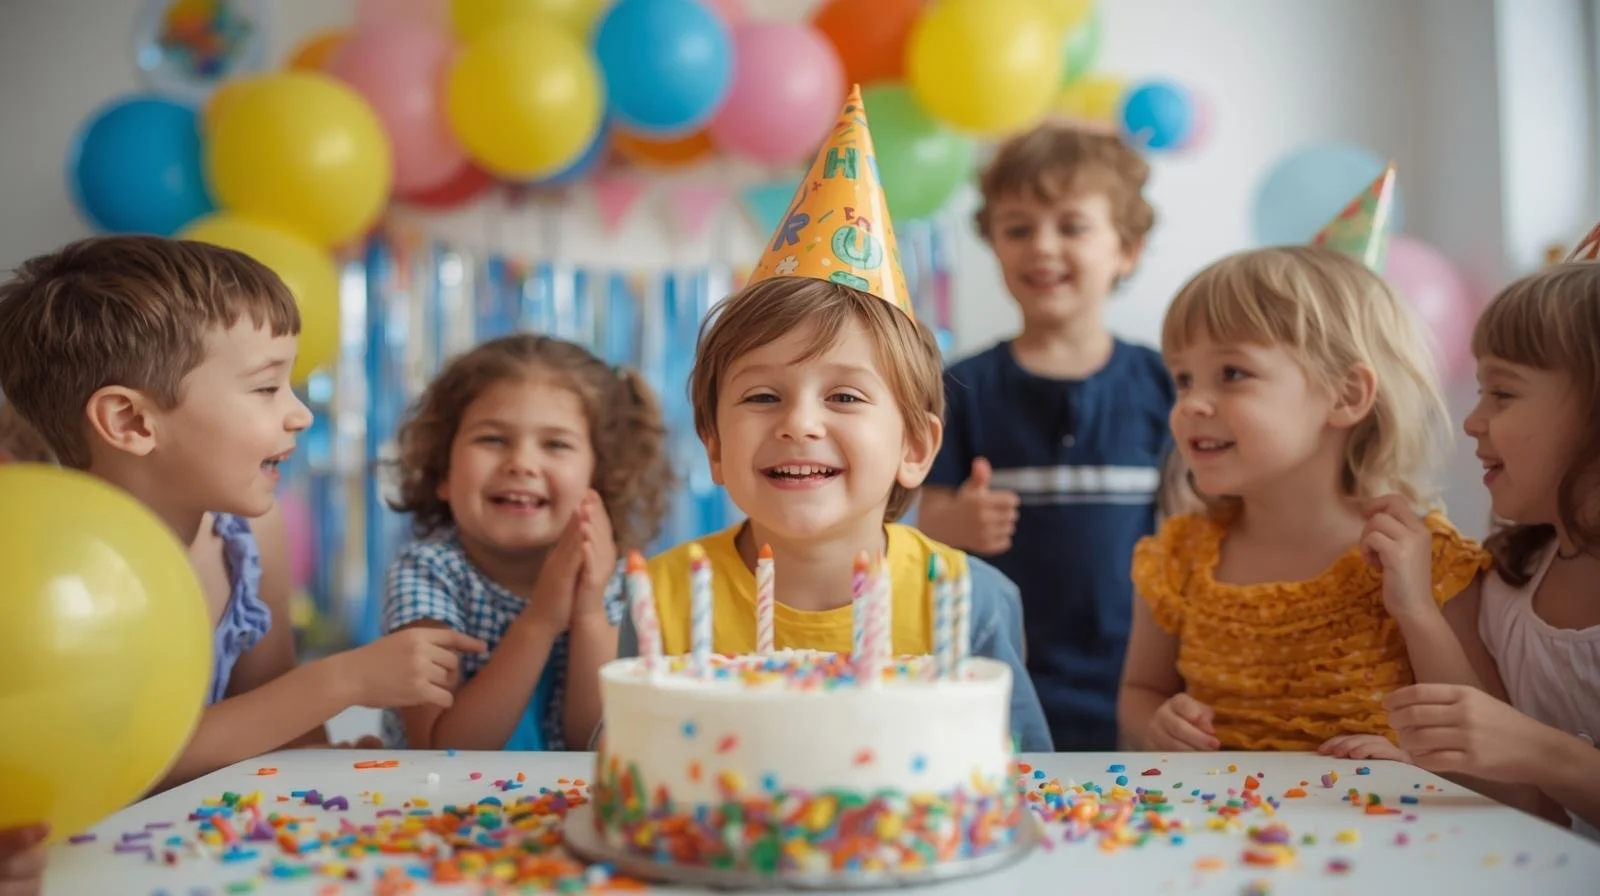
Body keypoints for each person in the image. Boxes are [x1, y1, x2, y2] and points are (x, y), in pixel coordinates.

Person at [617, 87, 1052, 751]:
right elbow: (627, 771)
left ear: (916, 444)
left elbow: (1017, 778)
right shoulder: (664, 600)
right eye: (762, 397)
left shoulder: (968, 600)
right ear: (713, 444)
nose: (799, 423)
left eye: (845, 397)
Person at [0, 236, 485, 789]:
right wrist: (343, 681)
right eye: (265, 387)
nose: (300, 414)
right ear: (131, 422)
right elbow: (117, 760)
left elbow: (273, 707)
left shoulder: (250, 535)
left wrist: (321, 763)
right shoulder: (54, 576)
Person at [1118, 245, 1494, 753]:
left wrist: (1417, 613)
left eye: (1232, 373)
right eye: (1183, 379)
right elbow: (1140, 691)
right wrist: (1155, 723)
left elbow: (1490, 754)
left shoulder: (1422, 559)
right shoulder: (1177, 557)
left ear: (1345, 395)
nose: (1191, 404)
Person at [918, 123, 1184, 750]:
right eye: (1018, 228)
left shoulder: (1165, 383)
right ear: (994, 247)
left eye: (1071, 226)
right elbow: (928, 522)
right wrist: (955, 523)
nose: (1042, 246)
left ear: (1127, 249)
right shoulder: (962, 388)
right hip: (1003, 684)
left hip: (1145, 689)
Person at [1388, 259, 1600, 839]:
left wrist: (1542, 752)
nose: (1473, 422)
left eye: (1502, 393)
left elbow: (1534, 764)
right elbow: (1535, 809)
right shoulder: (1510, 582)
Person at [381, 334, 673, 751]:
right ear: (442, 471)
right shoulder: (427, 572)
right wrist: (540, 621)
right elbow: (445, 748)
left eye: (555, 444)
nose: (521, 463)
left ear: (600, 479)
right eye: (492, 439)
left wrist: (588, 610)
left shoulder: (620, 579)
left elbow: (593, 743)